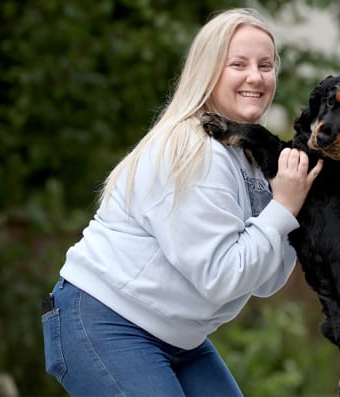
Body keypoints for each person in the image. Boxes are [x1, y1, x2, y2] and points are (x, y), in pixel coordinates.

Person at [40, 7, 323, 397]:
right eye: (237, 64)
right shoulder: (192, 149)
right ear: (208, 71)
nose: (255, 77)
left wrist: (290, 213)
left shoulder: (251, 158)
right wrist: (283, 209)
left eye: (266, 65)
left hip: (180, 337)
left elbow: (265, 281)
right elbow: (222, 277)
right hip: (105, 319)